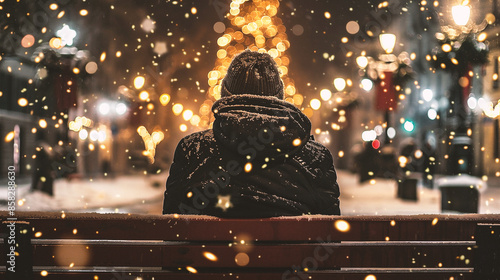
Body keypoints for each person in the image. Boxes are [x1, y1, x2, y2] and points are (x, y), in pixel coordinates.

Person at [163, 50, 340, 218]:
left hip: (208, 250)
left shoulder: (193, 149)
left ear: (225, 94)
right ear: (279, 96)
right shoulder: (315, 157)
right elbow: (330, 232)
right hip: (290, 251)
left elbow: (171, 223)